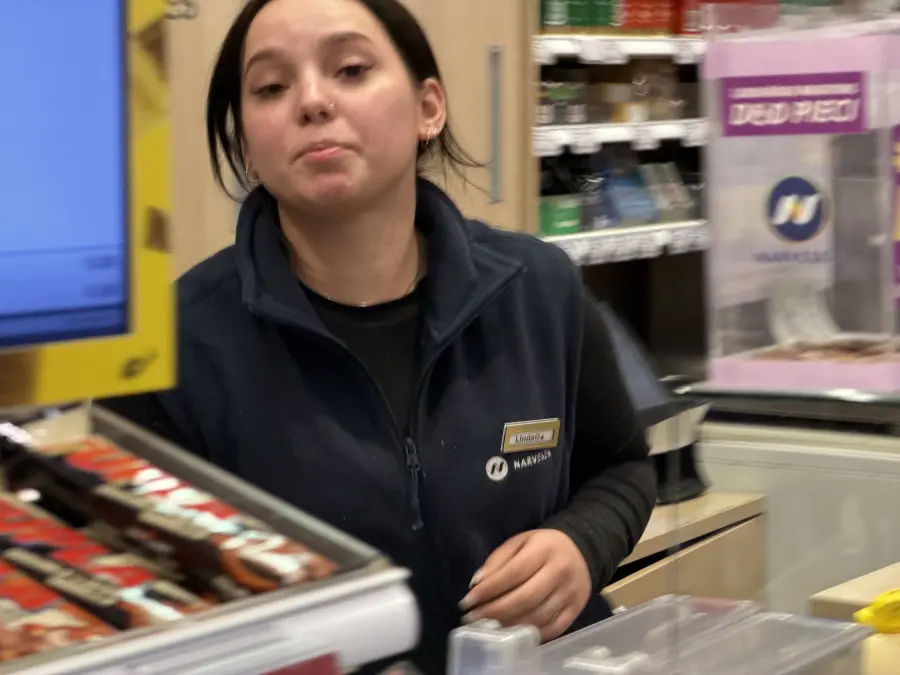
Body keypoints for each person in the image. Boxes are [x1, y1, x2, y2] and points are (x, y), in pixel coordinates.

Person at [101, 0, 657, 672]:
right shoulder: (171, 347)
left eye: (351, 70)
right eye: (271, 87)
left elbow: (623, 468)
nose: (312, 101)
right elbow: (144, 596)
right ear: (247, 145)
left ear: (429, 108)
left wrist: (581, 544)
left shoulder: (538, 288)